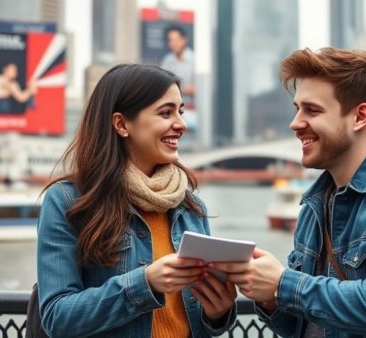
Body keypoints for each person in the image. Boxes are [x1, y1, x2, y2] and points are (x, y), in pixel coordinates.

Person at [212, 47, 366, 337]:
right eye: (297, 109)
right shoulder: (314, 204)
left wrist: (282, 283)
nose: (295, 123)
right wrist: (268, 297)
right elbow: (301, 326)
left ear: (360, 116)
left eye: (312, 110)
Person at [36, 64, 237, 337]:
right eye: (166, 113)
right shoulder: (67, 201)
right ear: (121, 124)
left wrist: (217, 312)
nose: (181, 124)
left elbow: (196, 323)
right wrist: (145, 284)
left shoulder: (190, 206)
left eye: (181, 111)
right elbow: (57, 317)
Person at [161, 25, 195, 105]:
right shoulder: (167, 60)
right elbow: (161, 84)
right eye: (171, 40)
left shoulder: (194, 60)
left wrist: (173, 90)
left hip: (191, 108)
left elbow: (197, 88)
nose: (174, 43)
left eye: (177, 39)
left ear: (184, 40)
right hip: (171, 106)